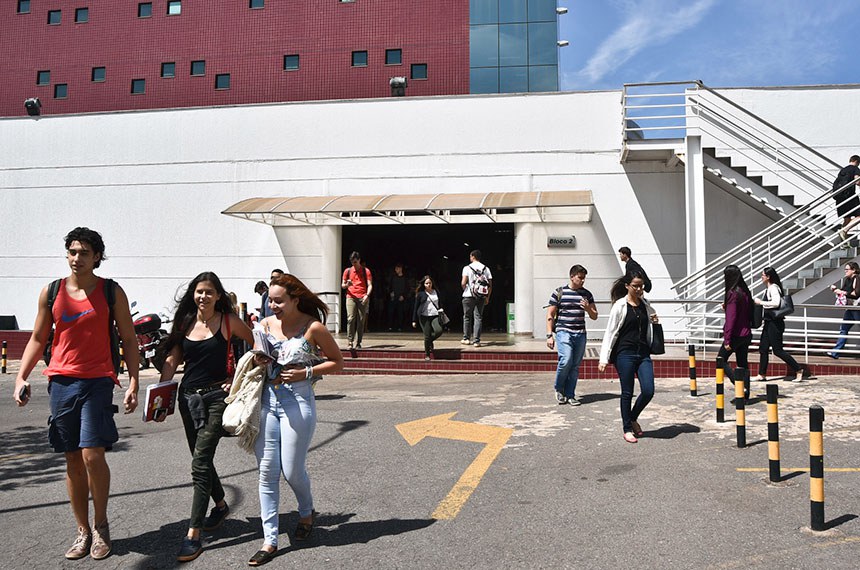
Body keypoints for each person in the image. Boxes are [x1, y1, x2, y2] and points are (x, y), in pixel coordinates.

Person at [13, 227, 140, 561]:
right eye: (72, 252)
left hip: (98, 380)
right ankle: (82, 530)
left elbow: (129, 338)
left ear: (97, 257)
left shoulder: (111, 292)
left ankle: (101, 525)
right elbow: (38, 337)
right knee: (72, 457)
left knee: (92, 454)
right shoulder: (52, 292)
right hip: (61, 382)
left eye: (84, 253)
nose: (76, 258)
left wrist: (134, 382)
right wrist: (21, 377)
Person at [248, 274, 344, 566]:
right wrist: (258, 360)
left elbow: (337, 362)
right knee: (267, 471)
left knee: (291, 470)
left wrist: (307, 372)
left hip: (298, 401)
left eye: (279, 301)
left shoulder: (312, 327)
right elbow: (255, 358)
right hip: (267, 401)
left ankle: (306, 512)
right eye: (270, 300)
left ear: (295, 299)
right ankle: (269, 540)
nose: (272, 305)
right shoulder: (264, 325)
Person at [158, 272, 254, 562]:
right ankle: (221, 506)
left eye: (209, 292)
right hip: (188, 398)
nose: (203, 296)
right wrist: (161, 397)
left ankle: (193, 534)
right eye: (199, 291)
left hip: (216, 399)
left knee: (200, 462)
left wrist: (238, 377)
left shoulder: (228, 321)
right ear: (193, 294)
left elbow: (256, 344)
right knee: (200, 458)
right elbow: (173, 360)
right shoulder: (185, 322)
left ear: (218, 296)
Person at [598, 272, 659, 444]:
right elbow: (610, 332)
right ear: (627, 286)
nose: (639, 289)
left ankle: (632, 418)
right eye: (636, 286)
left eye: (641, 286)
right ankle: (627, 429)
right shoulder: (620, 306)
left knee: (648, 390)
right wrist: (603, 358)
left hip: (643, 353)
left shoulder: (645, 304)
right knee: (627, 392)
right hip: (624, 354)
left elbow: (649, 325)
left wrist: (655, 321)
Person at [546, 264, 598, 406]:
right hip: (563, 331)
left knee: (575, 366)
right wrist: (549, 335)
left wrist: (588, 309)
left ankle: (570, 395)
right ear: (572, 276)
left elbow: (594, 316)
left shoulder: (587, 294)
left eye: (584, 278)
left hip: (580, 334)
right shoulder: (559, 292)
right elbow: (550, 315)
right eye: (580, 277)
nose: (582, 280)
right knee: (566, 360)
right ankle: (559, 388)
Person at [753, 267, 806, 382]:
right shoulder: (768, 289)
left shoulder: (773, 288)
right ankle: (762, 374)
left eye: (763, 275)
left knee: (777, 350)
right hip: (769, 323)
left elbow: (776, 303)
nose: (761, 277)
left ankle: (798, 369)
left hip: (775, 324)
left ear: (768, 277)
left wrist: (760, 302)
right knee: (763, 348)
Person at [718, 265, 754, 398]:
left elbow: (731, 318)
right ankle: (746, 393)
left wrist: (727, 339)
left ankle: (739, 385)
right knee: (743, 364)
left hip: (735, 335)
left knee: (721, 359)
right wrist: (727, 307)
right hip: (746, 333)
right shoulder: (744, 291)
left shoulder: (732, 293)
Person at [827, 262, 860, 359]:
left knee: (844, 329)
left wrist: (843, 292)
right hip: (850, 308)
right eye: (845, 269)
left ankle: (835, 352)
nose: (845, 271)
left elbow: (856, 294)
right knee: (844, 329)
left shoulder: (857, 278)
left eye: (847, 269)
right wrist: (836, 290)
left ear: (853, 270)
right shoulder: (847, 279)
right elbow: (844, 291)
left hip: (857, 308)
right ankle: (835, 352)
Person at [460, 249, 492, 347]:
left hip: (469, 295)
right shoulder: (486, 269)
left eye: (470, 256)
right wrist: (487, 297)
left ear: (473, 256)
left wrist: (466, 289)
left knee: (467, 317)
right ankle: (476, 341)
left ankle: (466, 338)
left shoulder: (467, 268)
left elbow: (463, 283)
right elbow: (490, 285)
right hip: (481, 296)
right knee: (478, 317)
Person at [341, 251, 372, 349]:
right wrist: (347, 285)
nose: (353, 264)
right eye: (352, 262)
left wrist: (367, 295)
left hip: (362, 296)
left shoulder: (366, 271)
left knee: (361, 320)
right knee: (350, 318)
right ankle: (350, 341)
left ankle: (359, 342)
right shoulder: (348, 271)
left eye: (355, 262)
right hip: (351, 296)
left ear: (359, 260)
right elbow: (342, 285)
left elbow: (370, 285)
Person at [412, 275, 445, 360]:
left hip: (435, 315)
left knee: (439, 330)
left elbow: (440, 303)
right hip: (424, 316)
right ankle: (427, 354)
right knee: (427, 335)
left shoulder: (436, 292)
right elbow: (416, 307)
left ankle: (430, 340)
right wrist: (414, 320)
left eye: (430, 283)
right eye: (426, 283)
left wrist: (441, 309)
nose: (428, 285)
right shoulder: (421, 294)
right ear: (423, 284)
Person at [832, 155, 860, 241]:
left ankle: (843, 239)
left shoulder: (843, 170)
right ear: (857, 162)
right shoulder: (855, 169)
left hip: (840, 197)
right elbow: (857, 181)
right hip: (850, 197)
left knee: (847, 219)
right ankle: (844, 230)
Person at [387, 263, 409, 331]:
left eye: (397, 268)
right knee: (391, 312)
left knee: (400, 313)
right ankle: (390, 326)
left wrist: (403, 296)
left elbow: (407, 288)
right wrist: (391, 293)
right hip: (393, 297)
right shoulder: (393, 277)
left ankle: (400, 326)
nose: (396, 270)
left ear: (400, 269)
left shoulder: (405, 278)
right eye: (395, 268)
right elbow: (390, 286)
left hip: (401, 298)